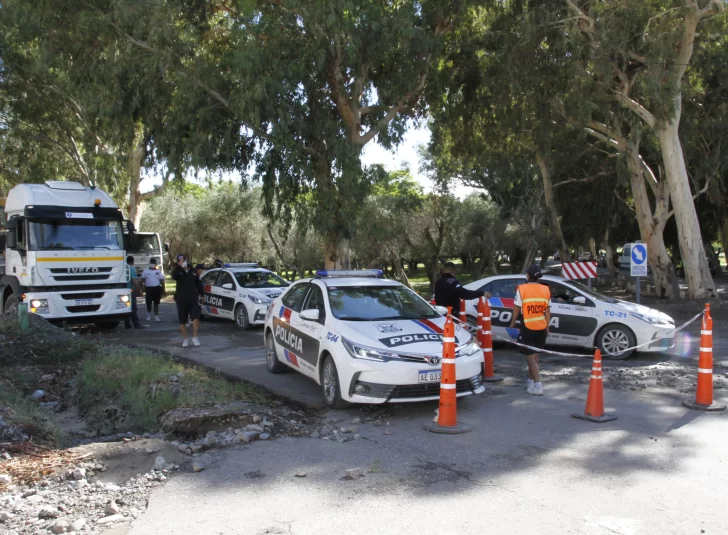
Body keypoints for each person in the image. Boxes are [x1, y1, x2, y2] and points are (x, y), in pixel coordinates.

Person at [509, 264, 551, 396]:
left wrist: (512, 323)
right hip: (541, 327)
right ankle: (530, 383)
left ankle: (538, 385)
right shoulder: (545, 289)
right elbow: (547, 311)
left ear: (528, 276)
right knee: (534, 357)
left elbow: (516, 309)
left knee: (531, 358)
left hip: (528, 327)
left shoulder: (522, 289)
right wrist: (547, 327)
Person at [172, 254, 203, 347]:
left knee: (196, 317)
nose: (182, 261)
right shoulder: (178, 271)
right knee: (182, 321)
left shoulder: (193, 271)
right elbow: (174, 276)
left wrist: (202, 294)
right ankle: (185, 339)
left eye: (183, 260)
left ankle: (195, 337)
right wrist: (179, 267)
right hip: (181, 299)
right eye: (180, 260)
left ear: (186, 260)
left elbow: (198, 283)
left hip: (193, 298)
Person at [124, 256, 145, 330]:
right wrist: (139, 289)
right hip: (130, 290)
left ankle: (127, 324)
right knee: (133, 307)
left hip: (123, 290)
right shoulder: (131, 269)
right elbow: (134, 280)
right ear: (132, 261)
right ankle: (136, 324)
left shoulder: (123, 268)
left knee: (126, 307)